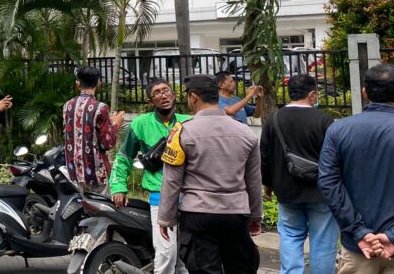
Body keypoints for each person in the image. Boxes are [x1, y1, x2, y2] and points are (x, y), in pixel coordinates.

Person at [157, 74, 263, 274]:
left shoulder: (181, 132)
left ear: (194, 97)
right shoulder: (246, 133)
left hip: (198, 215)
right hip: (235, 214)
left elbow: (172, 181)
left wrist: (166, 218)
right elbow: (253, 181)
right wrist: (256, 216)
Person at [319, 63, 394, 272]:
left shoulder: (338, 130)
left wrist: (359, 231)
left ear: (364, 92)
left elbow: (328, 183)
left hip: (358, 247)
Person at [110, 78, 190, 274]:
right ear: (150, 101)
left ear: (173, 94)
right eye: (157, 93)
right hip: (160, 197)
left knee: (185, 256)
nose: (163, 95)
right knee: (166, 254)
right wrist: (119, 186)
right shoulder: (140, 124)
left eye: (166, 90)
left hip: (190, 197)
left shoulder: (188, 122)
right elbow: (124, 157)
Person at [261, 74, 337, 274]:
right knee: (322, 240)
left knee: (290, 236)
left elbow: (265, 156)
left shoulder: (273, 119)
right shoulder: (325, 120)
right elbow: (336, 157)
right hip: (321, 191)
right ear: (312, 94)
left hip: (286, 192)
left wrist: (267, 185)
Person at [63, 66, 124, 195]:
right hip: (96, 173)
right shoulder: (100, 107)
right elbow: (107, 144)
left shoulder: (67, 105)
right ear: (99, 83)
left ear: (77, 83)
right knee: (102, 210)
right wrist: (115, 124)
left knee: (81, 209)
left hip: (74, 172)